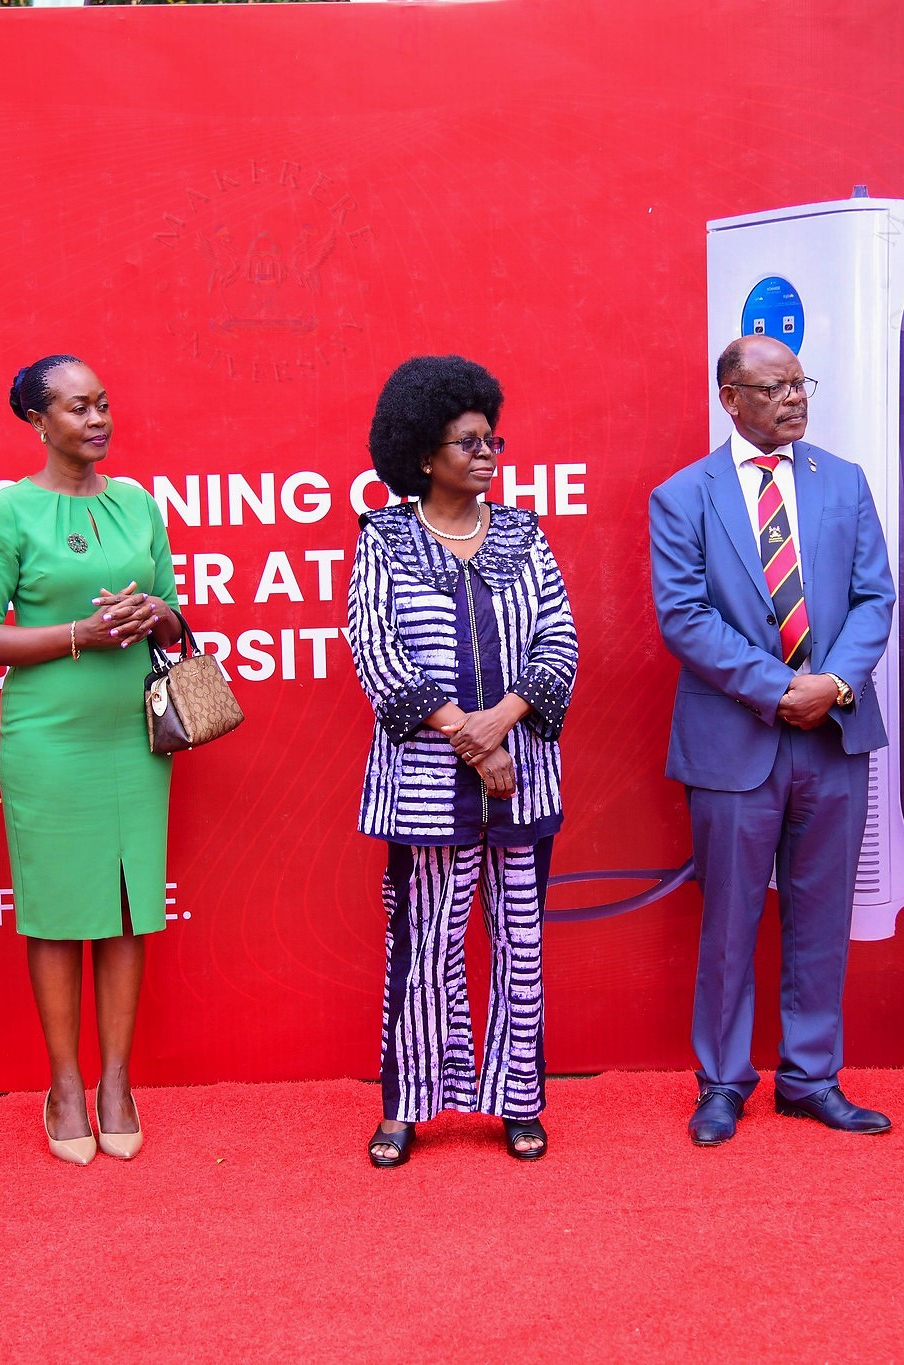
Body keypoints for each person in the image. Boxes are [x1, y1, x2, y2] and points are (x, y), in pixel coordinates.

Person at [648, 336, 896, 1146]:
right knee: (729, 922)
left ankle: (811, 1078)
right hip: (735, 739)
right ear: (730, 398)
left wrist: (836, 684)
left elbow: (875, 597)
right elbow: (684, 616)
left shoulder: (844, 481)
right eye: (775, 387)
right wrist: (779, 687)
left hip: (834, 733)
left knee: (822, 916)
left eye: (800, 383)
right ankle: (723, 1081)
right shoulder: (683, 496)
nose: (795, 398)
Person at [347, 355, 578, 1168]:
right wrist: (467, 737)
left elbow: (559, 642)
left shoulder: (524, 534)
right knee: (423, 945)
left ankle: (518, 1102)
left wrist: (503, 721)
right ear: (422, 453)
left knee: (521, 943)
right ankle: (407, 1105)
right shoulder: (385, 539)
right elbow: (376, 651)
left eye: (492, 439)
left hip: (523, 777)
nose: (486, 454)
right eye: (467, 441)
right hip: (423, 787)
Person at [0, 354, 183, 1165]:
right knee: (58, 911)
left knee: (126, 906)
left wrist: (152, 612)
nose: (97, 419)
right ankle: (64, 1083)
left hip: (136, 735)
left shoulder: (138, 503)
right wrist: (80, 633)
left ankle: (117, 1081)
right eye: (78, 407)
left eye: (103, 403)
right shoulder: (8, 510)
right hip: (50, 736)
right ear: (38, 421)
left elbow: (175, 618)